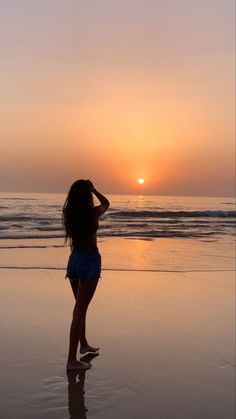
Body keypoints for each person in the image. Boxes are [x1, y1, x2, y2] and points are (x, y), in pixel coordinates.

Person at [62, 180, 110, 370]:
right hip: (89, 260)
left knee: (80, 307)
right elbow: (106, 203)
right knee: (79, 310)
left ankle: (83, 344)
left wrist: (87, 189)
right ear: (86, 195)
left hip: (74, 260)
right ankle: (71, 360)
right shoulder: (91, 213)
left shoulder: (69, 213)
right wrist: (94, 189)